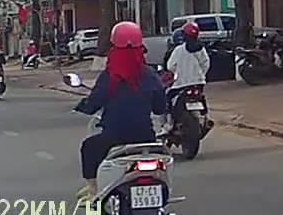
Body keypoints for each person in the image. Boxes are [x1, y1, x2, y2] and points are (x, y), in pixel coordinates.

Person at [74, 21, 168, 201]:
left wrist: (83, 106)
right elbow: (160, 108)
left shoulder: (110, 76)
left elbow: (94, 103)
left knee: (89, 148)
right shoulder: (150, 75)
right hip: (145, 138)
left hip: (114, 138)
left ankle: (94, 190)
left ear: (114, 48)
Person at [165, 22, 210, 117]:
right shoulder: (201, 49)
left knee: (168, 99)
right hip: (198, 82)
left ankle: (169, 121)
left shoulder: (178, 50)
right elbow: (205, 64)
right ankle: (206, 116)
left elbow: (170, 66)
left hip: (181, 84)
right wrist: (200, 75)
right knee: (201, 97)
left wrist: (177, 72)